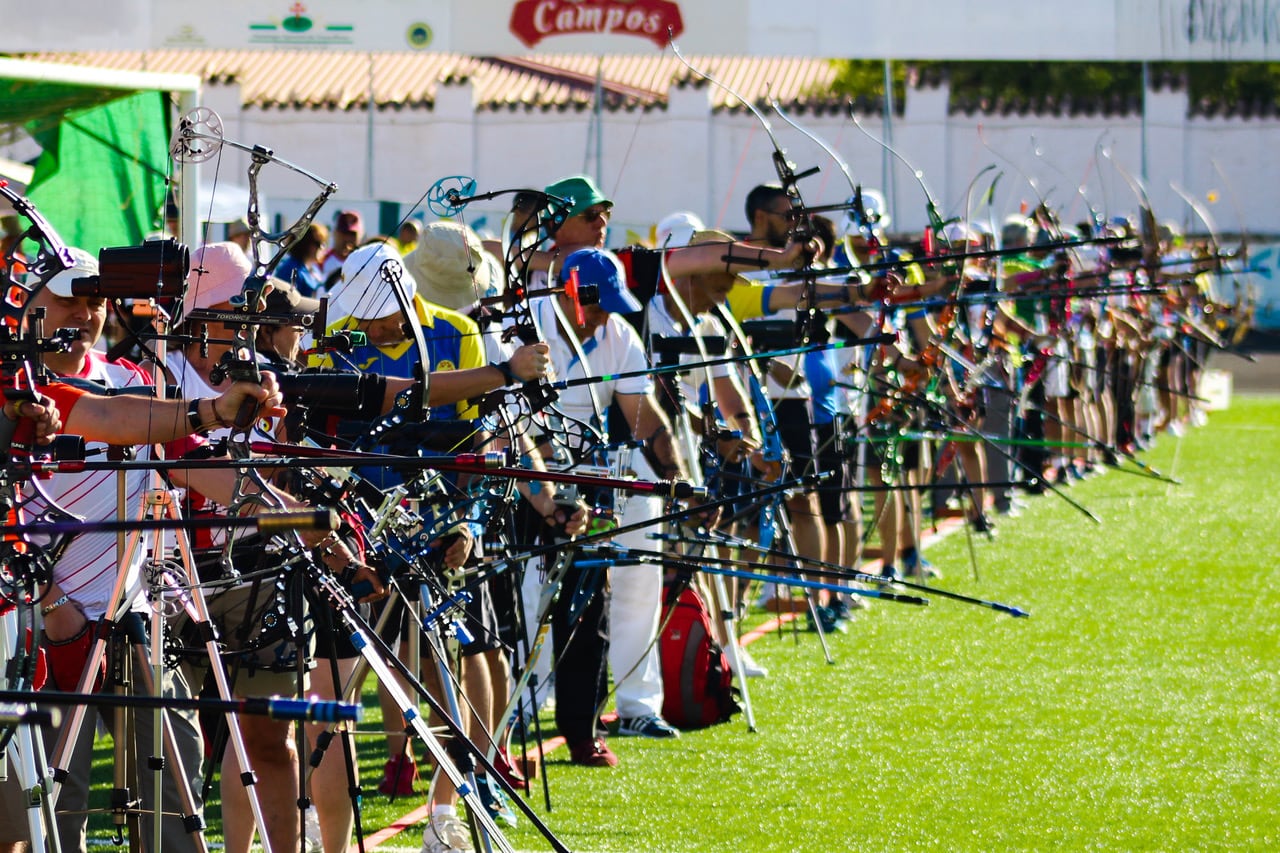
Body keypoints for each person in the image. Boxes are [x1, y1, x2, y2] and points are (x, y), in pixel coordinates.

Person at [0, 247, 297, 853]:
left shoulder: (137, 378)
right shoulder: (15, 392)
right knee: (45, 815)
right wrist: (52, 603)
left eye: (94, 300)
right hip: (34, 622)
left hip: (135, 613)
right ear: (25, 306)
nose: (85, 313)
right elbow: (108, 418)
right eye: (67, 299)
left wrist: (290, 513)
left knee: (172, 798)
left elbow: (185, 462)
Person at [273, 222, 329, 298]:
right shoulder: (290, 269)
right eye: (317, 243)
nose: (322, 247)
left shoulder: (314, 269)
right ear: (304, 243)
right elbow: (287, 302)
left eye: (324, 243)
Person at [319, 210, 363, 291]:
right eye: (344, 233)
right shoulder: (321, 260)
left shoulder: (364, 261)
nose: (347, 238)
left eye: (352, 234)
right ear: (335, 233)